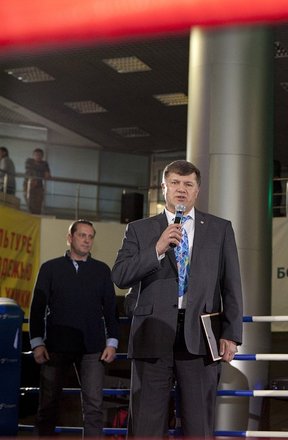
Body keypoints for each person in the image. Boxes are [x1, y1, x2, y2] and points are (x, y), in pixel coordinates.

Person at [112, 160, 244, 437]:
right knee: (146, 425)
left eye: (188, 184)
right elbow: (120, 275)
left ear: (197, 190)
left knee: (199, 425)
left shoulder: (219, 229)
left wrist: (231, 334)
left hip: (201, 336)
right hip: (152, 334)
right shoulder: (139, 229)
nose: (181, 189)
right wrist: (157, 248)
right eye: (175, 183)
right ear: (164, 187)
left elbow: (231, 285)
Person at [28, 219, 119, 437]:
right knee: (47, 406)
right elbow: (37, 308)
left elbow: (111, 309)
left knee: (94, 408)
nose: (87, 240)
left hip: (92, 349)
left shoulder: (102, 270)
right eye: (82, 235)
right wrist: (37, 343)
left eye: (90, 236)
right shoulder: (50, 268)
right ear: (70, 238)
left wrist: (113, 342)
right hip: (55, 347)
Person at [24, 147, 51, 214]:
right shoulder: (29, 161)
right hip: (28, 184)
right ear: (33, 155)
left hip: (39, 186)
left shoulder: (45, 163)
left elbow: (47, 175)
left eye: (40, 155)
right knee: (29, 202)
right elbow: (30, 170)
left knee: (38, 203)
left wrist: (46, 173)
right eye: (36, 155)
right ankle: (30, 214)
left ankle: (36, 215)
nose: (38, 156)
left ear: (42, 156)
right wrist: (34, 179)